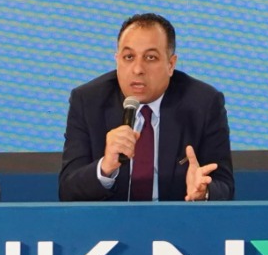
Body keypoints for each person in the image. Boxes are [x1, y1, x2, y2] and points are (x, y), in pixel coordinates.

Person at [59, 12, 235, 202]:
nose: (137, 69)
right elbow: (67, 190)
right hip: (110, 221)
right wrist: (104, 168)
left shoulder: (204, 103)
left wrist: (204, 191)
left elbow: (225, 186)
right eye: (128, 57)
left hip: (175, 219)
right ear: (117, 60)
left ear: (171, 64)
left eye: (150, 58)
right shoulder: (88, 101)